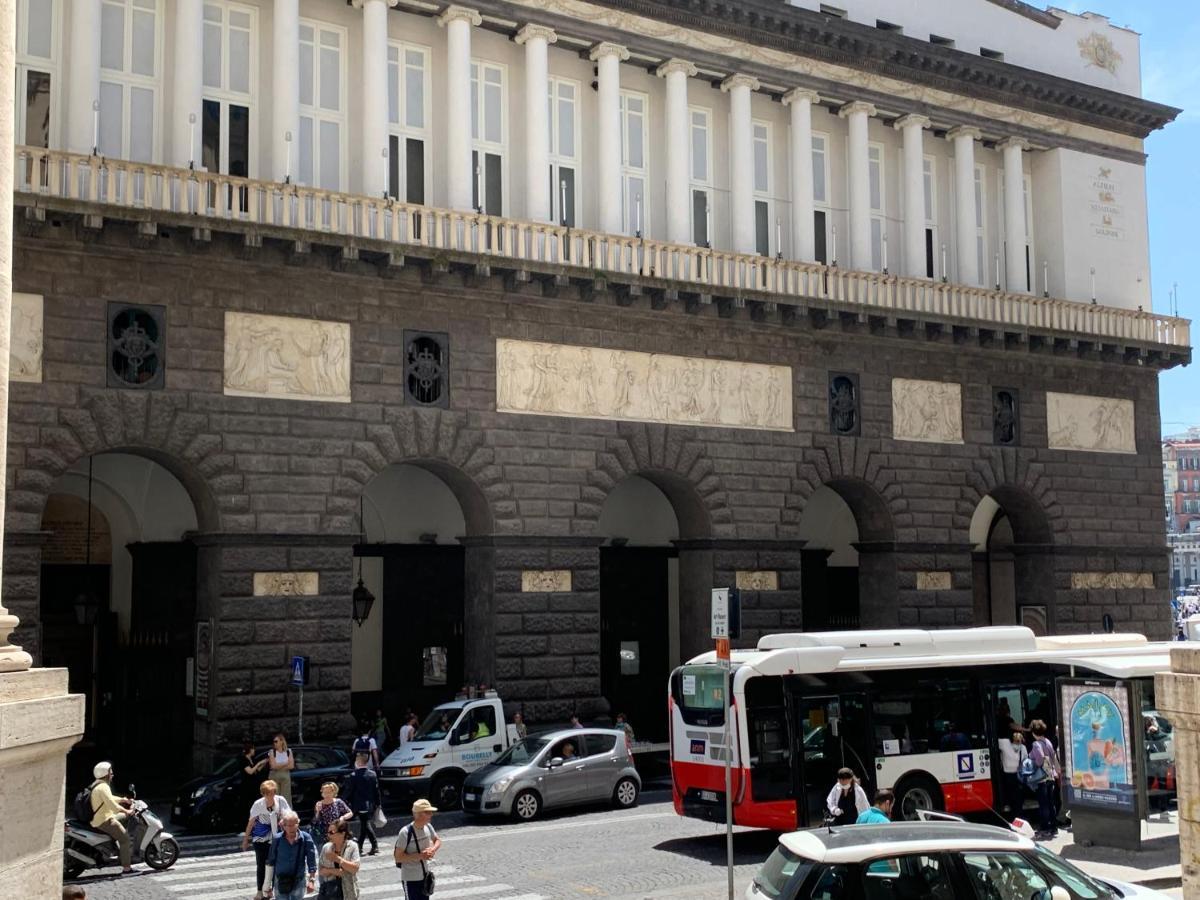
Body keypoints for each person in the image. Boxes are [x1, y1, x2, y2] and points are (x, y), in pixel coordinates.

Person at [242, 779, 292, 900]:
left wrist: (284, 821)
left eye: (271, 793)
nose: (269, 795)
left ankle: (271, 890)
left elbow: (289, 816)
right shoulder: (258, 804)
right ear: (262, 793)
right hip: (260, 838)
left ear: (275, 792)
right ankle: (260, 891)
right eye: (266, 793)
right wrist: (245, 839)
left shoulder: (281, 800)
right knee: (261, 865)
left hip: (277, 838)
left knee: (276, 864)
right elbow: (251, 822)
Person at [89, 761, 135, 874]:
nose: (112, 774)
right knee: (125, 839)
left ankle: (117, 846)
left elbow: (109, 798)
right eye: (111, 772)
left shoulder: (97, 784)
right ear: (106, 773)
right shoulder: (104, 786)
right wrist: (127, 810)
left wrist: (124, 800)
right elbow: (112, 805)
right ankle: (127, 868)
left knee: (123, 817)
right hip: (104, 820)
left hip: (99, 818)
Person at [394, 799, 442, 900]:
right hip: (410, 879)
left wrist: (433, 849)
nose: (431, 814)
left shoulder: (428, 826)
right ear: (419, 814)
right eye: (428, 812)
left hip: (424, 877)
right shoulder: (405, 832)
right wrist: (421, 856)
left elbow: (437, 840)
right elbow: (398, 858)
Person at [266, 810, 317, 900]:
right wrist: (268, 884)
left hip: (298, 879)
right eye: (289, 825)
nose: (292, 828)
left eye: (294, 824)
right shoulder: (277, 839)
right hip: (280, 880)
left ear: (298, 823)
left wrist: (312, 880)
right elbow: (271, 862)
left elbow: (311, 861)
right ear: (283, 826)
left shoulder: (306, 838)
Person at [341, 752, 382, 856]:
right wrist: (378, 803)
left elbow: (349, 791)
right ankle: (362, 846)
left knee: (365, 824)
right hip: (370, 804)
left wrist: (342, 800)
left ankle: (373, 845)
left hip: (358, 804)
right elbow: (376, 791)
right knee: (364, 824)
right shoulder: (372, 774)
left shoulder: (353, 775)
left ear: (358, 762)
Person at [1029, 720, 1063, 838]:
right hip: (1050, 775)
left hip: (1041, 778)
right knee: (1051, 802)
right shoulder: (1048, 741)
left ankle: (1045, 827)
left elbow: (1039, 760)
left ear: (1034, 732)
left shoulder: (1036, 744)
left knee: (1043, 803)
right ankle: (1054, 827)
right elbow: (1052, 757)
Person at [319, 819, 362, 900]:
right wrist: (336, 871)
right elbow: (321, 871)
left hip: (349, 893)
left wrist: (337, 859)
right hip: (331, 893)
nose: (328, 835)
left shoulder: (352, 846)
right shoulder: (326, 848)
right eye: (328, 832)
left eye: (331, 832)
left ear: (342, 833)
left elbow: (354, 869)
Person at [312, 782, 354, 847]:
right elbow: (315, 821)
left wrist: (343, 817)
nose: (327, 794)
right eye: (325, 792)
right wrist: (317, 811)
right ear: (322, 793)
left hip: (338, 831)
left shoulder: (338, 802)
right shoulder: (319, 804)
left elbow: (350, 813)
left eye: (329, 792)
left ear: (333, 792)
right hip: (326, 834)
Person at [998, 732, 1028, 819]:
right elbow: (1026, 760)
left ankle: (1012, 815)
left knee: (1010, 795)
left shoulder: (1005, 745)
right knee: (1019, 797)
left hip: (1008, 775)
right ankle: (1019, 815)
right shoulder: (1023, 748)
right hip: (1019, 775)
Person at [269, 733, 296, 805]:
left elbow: (291, 766)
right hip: (274, 776)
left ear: (282, 741)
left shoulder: (288, 751)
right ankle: (275, 814)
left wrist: (278, 765)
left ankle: (286, 814)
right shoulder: (272, 752)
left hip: (285, 775)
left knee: (286, 797)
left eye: (276, 741)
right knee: (274, 797)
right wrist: (286, 763)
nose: (274, 743)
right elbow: (273, 766)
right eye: (274, 742)